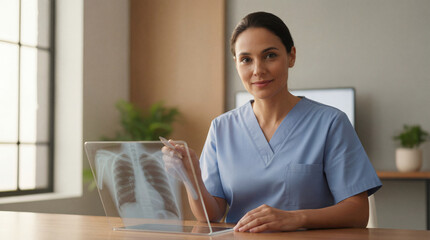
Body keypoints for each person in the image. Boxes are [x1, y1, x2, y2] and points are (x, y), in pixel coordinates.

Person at [162, 11, 382, 233]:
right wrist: (192, 176)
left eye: (270, 56)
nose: (258, 70)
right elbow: (212, 215)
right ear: (236, 64)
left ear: (291, 56)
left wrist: (296, 218)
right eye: (246, 59)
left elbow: (358, 212)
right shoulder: (221, 128)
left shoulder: (331, 123)